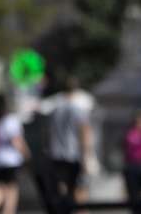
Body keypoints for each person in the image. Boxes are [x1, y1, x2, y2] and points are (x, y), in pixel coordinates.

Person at [47, 76, 94, 204]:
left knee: (62, 188)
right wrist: (86, 157)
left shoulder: (55, 109)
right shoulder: (79, 109)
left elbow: (48, 132)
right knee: (79, 189)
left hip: (56, 154)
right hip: (73, 155)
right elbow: (85, 133)